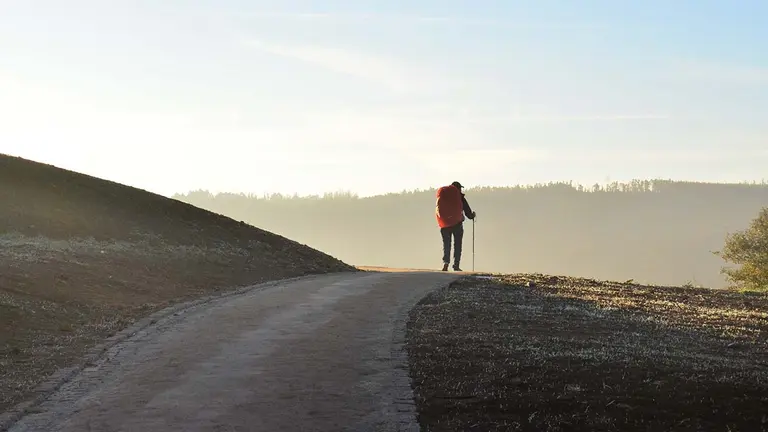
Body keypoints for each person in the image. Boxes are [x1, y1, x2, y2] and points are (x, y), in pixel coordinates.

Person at [439, 181, 476, 271]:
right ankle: (456, 265)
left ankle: (446, 263)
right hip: (457, 224)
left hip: (445, 224)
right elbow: (467, 210)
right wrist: (472, 216)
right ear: (458, 188)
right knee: (457, 245)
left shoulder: (443, 195)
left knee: (447, 244)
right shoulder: (459, 197)